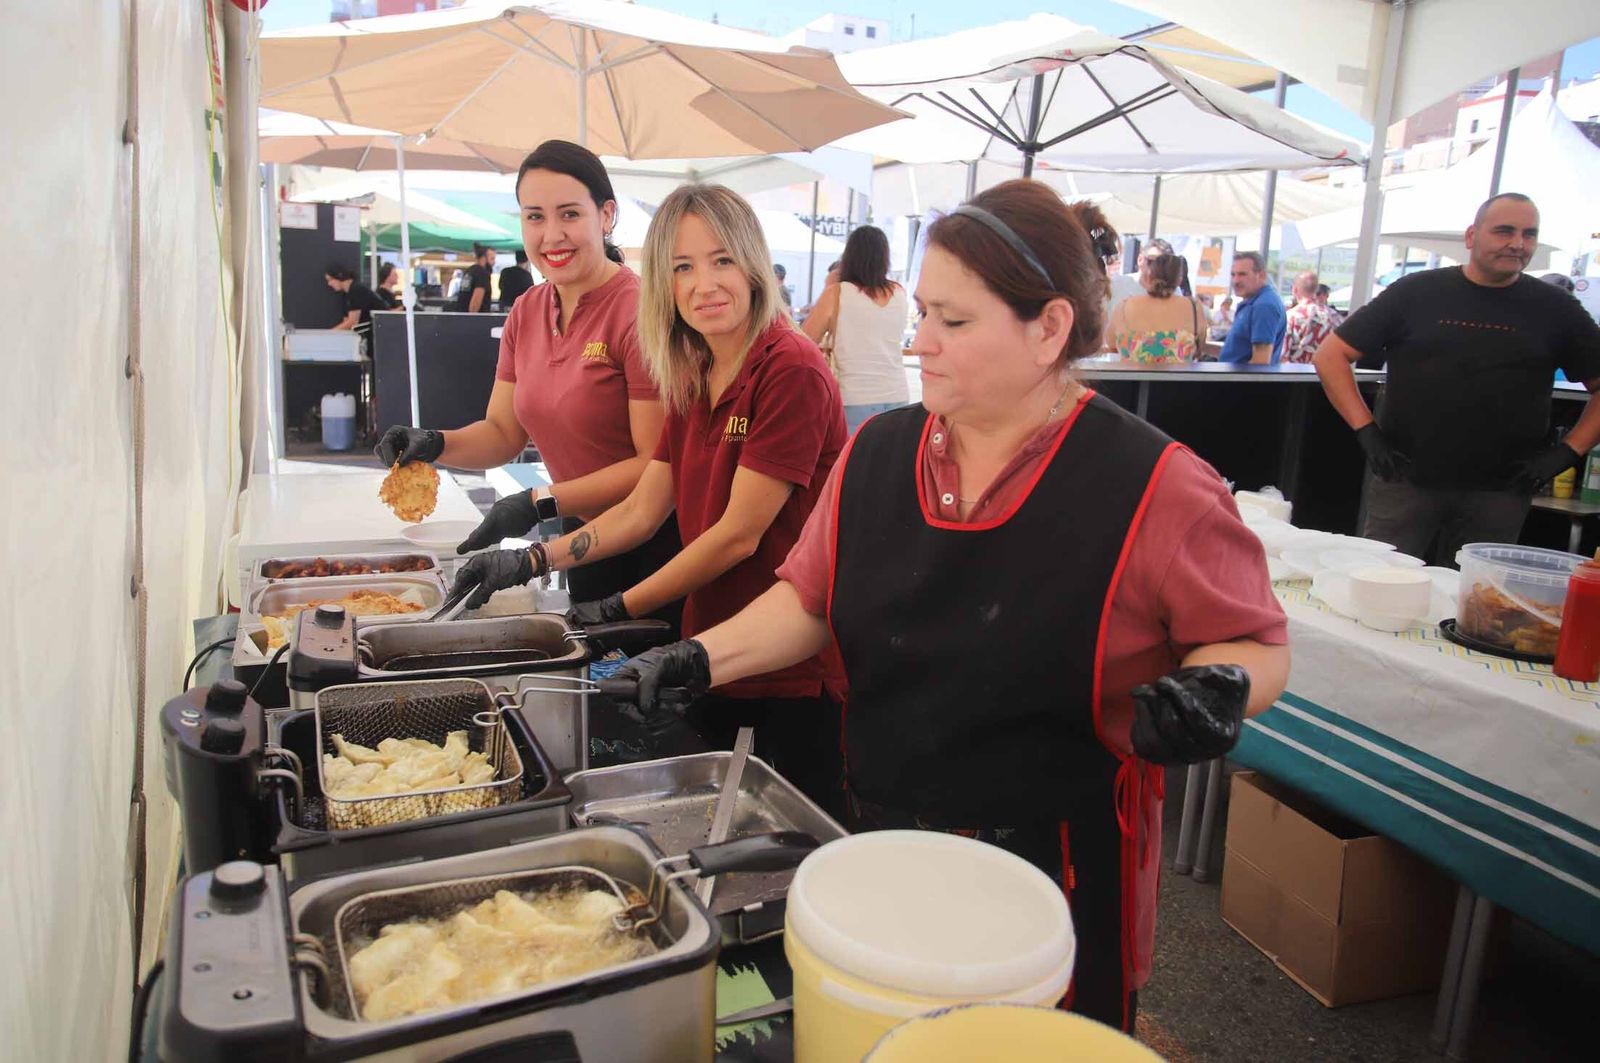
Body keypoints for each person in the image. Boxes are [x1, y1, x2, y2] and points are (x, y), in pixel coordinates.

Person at [605, 180, 1289, 1032]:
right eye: (922, 312)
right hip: (883, 840)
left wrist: (1219, 687)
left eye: (953, 322)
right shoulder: (880, 452)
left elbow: (1255, 643)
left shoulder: (1153, 483)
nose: (919, 341)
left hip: (1057, 882)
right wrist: (698, 656)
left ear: (1049, 329)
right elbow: (808, 600)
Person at [452, 183, 849, 813]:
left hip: (785, 664)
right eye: (682, 268)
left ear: (752, 263)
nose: (704, 284)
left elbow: (737, 534)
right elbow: (644, 509)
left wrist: (613, 607)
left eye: (721, 260)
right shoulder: (693, 370)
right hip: (709, 646)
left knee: (784, 845)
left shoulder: (788, 369)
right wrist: (534, 561)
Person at [375, 140, 679, 614]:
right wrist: (433, 444)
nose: (551, 234)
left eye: (569, 214)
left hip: (657, 543)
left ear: (606, 215)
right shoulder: (527, 310)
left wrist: (538, 501)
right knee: (593, 677)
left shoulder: (640, 312)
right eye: (534, 216)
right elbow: (502, 433)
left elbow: (653, 462)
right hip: (583, 537)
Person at [1313, 193, 1600, 564]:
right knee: (1380, 583)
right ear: (1471, 236)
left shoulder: (1556, 309)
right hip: (1405, 478)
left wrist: (1568, 451)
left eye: (1529, 234)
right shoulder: (1416, 292)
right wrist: (1366, 431)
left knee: (1475, 602)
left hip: (1502, 489)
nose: (1517, 243)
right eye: (1504, 231)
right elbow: (1330, 355)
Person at [800, 225, 910, 434]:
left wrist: (829, 285)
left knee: (852, 464)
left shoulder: (838, 293)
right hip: (898, 396)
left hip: (855, 399)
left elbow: (804, 341)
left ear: (849, 256)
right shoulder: (899, 292)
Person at [1104, 238, 1211, 364]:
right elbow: (1199, 347)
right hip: (1177, 382)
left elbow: (1111, 342)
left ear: (1151, 273)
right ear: (1178, 277)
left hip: (1130, 381)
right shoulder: (1194, 308)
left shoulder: (1125, 306)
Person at [1219, 252, 1286, 364]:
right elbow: (1237, 354)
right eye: (1233, 274)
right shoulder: (1254, 302)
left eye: (1242, 274)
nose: (1236, 281)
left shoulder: (1264, 306)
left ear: (1261, 275)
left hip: (1240, 381)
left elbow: (1260, 363)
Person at [1283, 270, 1335, 364]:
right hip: (1321, 375)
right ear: (1316, 290)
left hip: (1294, 375)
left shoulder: (1291, 317)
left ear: (1294, 290)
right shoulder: (1333, 317)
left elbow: (1283, 356)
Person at [324, 264, 386, 336]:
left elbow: (352, 322)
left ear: (339, 276)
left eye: (330, 280)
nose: (329, 284)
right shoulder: (346, 294)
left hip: (378, 332)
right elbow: (347, 321)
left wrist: (328, 334)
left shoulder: (356, 290)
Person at [454, 242, 495, 313]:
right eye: (492, 259)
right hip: (475, 320)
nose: (494, 262)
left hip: (461, 316)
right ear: (483, 258)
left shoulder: (469, 271)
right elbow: (474, 306)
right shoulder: (482, 273)